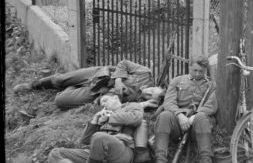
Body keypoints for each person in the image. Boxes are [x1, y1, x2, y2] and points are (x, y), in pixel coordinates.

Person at [47, 89, 163, 163]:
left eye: (106, 101)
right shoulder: (103, 116)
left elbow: (136, 118)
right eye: (102, 104)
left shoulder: (131, 106)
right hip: (97, 156)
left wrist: (110, 117)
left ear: (115, 98)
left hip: (122, 151)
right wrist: (94, 120)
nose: (104, 105)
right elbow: (85, 141)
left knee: (99, 137)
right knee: (56, 153)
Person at [147, 56, 217, 163]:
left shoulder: (211, 85)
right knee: (164, 115)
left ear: (205, 70)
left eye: (201, 71)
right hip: (178, 124)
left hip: (197, 126)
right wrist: (179, 115)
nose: (197, 73)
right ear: (189, 67)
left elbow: (211, 106)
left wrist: (195, 116)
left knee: (201, 117)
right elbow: (169, 102)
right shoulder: (177, 81)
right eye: (194, 70)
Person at [13, 59, 155, 109]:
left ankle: (73, 87)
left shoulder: (142, 100)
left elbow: (122, 107)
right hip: (100, 74)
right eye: (151, 90)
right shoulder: (145, 73)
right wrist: (118, 81)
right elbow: (123, 63)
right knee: (59, 80)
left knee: (60, 100)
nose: (148, 92)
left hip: (98, 92)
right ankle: (32, 85)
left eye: (149, 95)